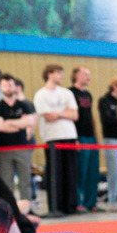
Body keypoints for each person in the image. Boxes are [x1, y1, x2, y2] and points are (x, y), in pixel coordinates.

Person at [33, 64, 79, 217]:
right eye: (58, 73)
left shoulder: (66, 93)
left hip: (69, 136)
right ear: (49, 74)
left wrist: (58, 113)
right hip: (53, 138)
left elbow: (74, 115)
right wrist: (64, 113)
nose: (61, 76)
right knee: (56, 174)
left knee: (71, 173)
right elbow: (48, 116)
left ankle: (70, 206)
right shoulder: (41, 95)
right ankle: (55, 207)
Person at [0, 74, 37, 201]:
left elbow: (29, 122)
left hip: (22, 147)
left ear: (15, 86)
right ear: (0, 87)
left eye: (10, 85)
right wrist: (18, 124)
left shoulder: (23, 105)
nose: (8, 88)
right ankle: (9, 208)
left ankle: (26, 207)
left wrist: (8, 123)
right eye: (5, 85)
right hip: (4, 149)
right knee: (6, 181)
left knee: (25, 180)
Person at [69, 66, 99, 213]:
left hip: (91, 137)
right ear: (76, 75)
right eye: (85, 74)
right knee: (81, 170)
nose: (88, 77)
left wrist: (96, 137)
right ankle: (78, 202)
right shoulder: (70, 93)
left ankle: (91, 202)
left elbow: (90, 116)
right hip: (79, 137)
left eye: (89, 74)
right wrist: (74, 138)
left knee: (93, 171)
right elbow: (72, 119)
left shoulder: (88, 94)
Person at [98, 77, 117, 211]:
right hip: (111, 138)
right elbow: (108, 119)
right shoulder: (105, 101)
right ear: (115, 87)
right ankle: (112, 199)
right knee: (114, 171)